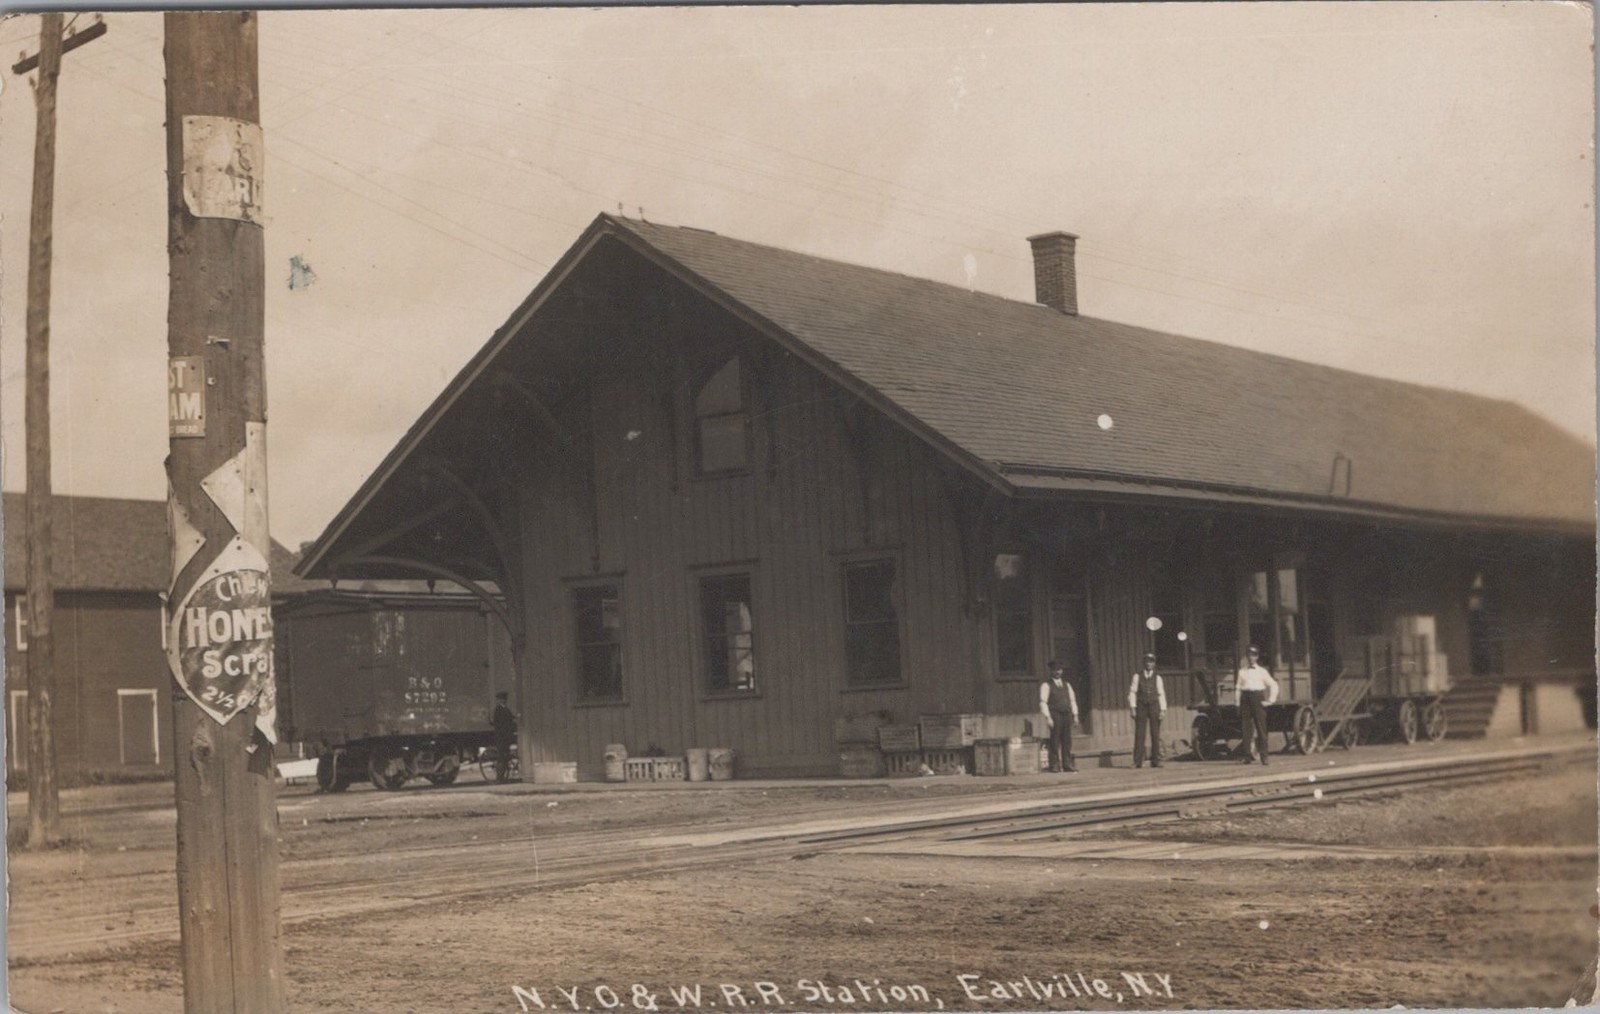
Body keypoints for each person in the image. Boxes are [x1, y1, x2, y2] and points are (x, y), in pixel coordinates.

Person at [1234, 645, 1279, 764]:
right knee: (1246, 729)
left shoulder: (1262, 671)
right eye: (1249, 655)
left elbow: (1273, 684)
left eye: (1253, 655)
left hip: (1257, 697)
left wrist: (1270, 700)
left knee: (1261, 728)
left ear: (1257, 657)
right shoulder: (1242, 671)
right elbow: (1238, 688)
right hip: (1245, 699)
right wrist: (1238, 703)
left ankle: (1264, 756)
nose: (1251, 657)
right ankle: (1247, 756)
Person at [1127, 651, 1167, 768]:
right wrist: (1133, 708)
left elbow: (1161, 694)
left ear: (1154, 664)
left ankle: (1156, 760)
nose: (1149, 664)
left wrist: (1163, 710)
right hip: (1141, 706)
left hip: (1154, 705)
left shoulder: (1158, 677)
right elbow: (1132, 692)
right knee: (1140, 734)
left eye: (1151, 662)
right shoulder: (1137, 676)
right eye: (1147, 662)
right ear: (1144, 663)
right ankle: (1137, 761)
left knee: (1155, 733)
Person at [1038, 659, 1079, 773]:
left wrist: (1075, 715)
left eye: (1059, 670)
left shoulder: (1067, 685)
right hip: (1055, 714)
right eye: (1055, 670)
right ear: (1051, 671)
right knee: (1055, 739)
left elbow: (1072, 700)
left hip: (1066, 714)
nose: (1057, 672)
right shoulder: (1046, 685)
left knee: (1067, 740)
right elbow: (1043, 702)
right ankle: (1054, 765)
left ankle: (1067, 764)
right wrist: (1048, 717)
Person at [490, 691, 518, 782]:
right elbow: (500, 723)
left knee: (505, 757)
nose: (504, 701)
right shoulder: (498, 710)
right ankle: (499, 778)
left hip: (505, 736)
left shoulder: (505, 709)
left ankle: (502, 777)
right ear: (499, 700)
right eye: (502, 699)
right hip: (501, 736)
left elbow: (510, 718)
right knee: (501, 757)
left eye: (504, 699)